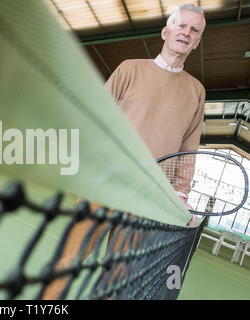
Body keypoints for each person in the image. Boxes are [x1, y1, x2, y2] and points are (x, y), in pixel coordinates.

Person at [42, 4, 206, 299]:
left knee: (119, 274)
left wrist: (182, 193)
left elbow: (188, 148)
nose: (187, 32)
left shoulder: (197, 91)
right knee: (68, 260)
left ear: (197, 42)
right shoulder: (129, 68)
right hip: (106, 186)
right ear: (165, 32)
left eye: (195, 30)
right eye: (182, 26)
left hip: (149, 200)